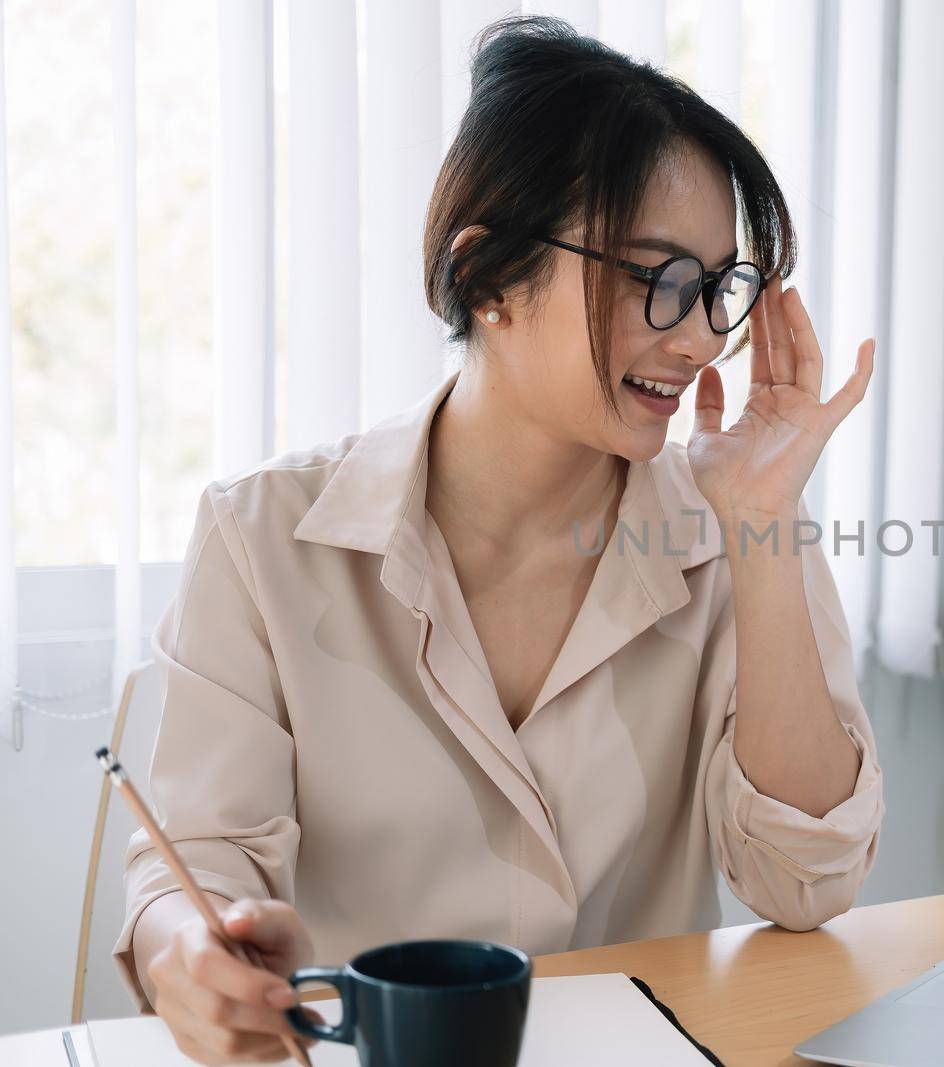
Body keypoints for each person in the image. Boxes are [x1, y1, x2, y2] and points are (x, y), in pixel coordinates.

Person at [112, 16, 884, 1064]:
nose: (701, 337)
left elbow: (808, 882)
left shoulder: (730, 524)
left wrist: (764, 524)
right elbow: (193, 868)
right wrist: (187, 954)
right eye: (658, 277)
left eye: (717, 289)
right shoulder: (262, 536)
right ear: (487, 279)